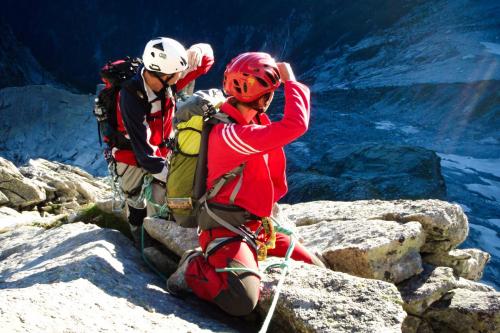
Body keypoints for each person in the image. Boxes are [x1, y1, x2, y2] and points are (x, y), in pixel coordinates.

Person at [167, 52, 325, 316]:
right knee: (241, 299)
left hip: (256, 227)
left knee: (315, 270)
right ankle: (193, 266)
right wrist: (290, 81)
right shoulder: (233, 135)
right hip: (227, 229)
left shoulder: (246, 122)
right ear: (263, 97)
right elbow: (296, 124)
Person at [115, 37, 214, 266]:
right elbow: (145, 155)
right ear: (162, 73)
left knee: (163, 199)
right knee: (136, 201)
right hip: (131, 156)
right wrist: (174, 177)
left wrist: (197, 50)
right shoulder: (130, 97)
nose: (181, 78)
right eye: (177, 74)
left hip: (161, 150)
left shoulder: (167, 80)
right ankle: (140, 243)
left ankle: (159, 238)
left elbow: (206, 61)